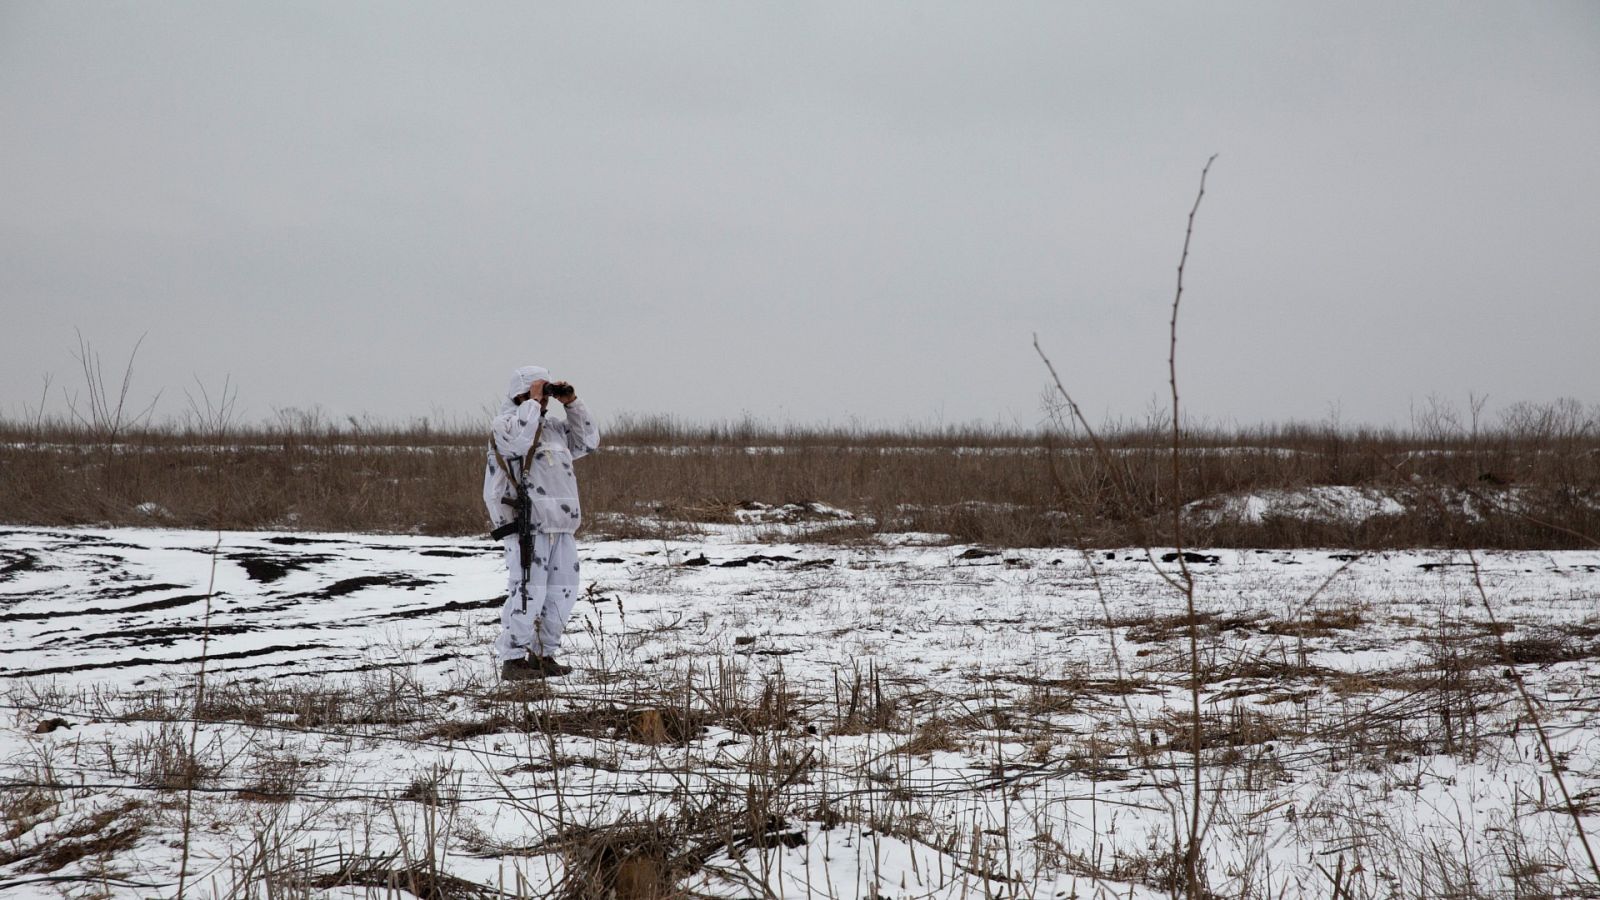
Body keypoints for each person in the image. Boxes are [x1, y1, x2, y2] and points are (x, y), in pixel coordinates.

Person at [483, 365, 600, 679]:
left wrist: (572, 402)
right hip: (526, 525)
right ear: (519, 394)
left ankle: (543, 654)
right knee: (527, 592)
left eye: (546, 393)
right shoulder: (505, 424)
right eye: (537, 392)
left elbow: (588, 442)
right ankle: (512, 659)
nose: (545, 400)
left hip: (561, 523)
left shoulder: (555, 429)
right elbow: (519, 443)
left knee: (563, 591)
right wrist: (533, 401)